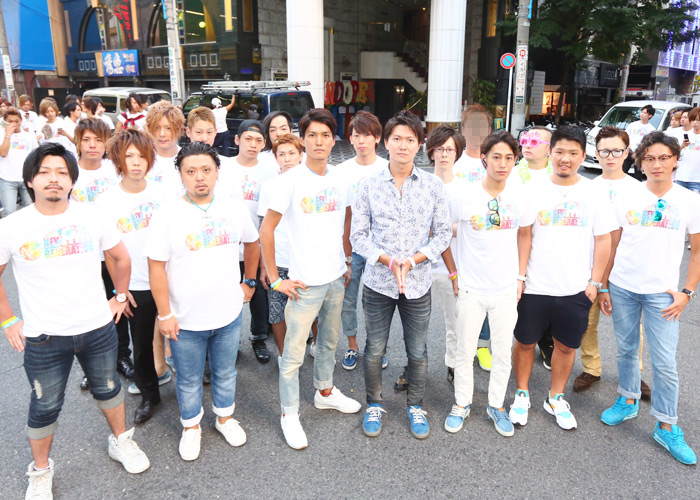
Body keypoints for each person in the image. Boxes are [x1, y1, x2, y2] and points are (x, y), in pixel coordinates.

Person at [0, 143, 150, 499]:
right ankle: (40, 470)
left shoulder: (92, 216)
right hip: (43, 336)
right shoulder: (11, 226)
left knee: (108, 388)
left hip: (97, 328)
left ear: (72, 180)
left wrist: (119, 296)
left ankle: (121, 441)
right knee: (45, 405)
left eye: (62, 172)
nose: (54, 179)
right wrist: (8, 320)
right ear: (30, 180)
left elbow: (120, 258)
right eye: (45, 172)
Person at [146, 141, 259, 461]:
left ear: (217, 172)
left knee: (225, 372)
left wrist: (249, 282)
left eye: (206, 170)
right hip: (184, 318)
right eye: (191, 171)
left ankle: (224, 418)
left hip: (228, 313)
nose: (199, 177)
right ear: (181, 175)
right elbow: (156, 266)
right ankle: (191, 426)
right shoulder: (167, 214)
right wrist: (165, 314)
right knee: (189, 378)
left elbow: (252, 244)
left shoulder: (234, 208)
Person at [259, 108, 361, 450]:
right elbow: (266, 231)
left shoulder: (340, 178)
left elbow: (346, 218)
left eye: (325, 135)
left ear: (334, 140)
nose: (319, 141)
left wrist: (346, 259)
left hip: (335, 278)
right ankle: (289, 413)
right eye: (312, 135)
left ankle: (325, 392)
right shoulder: (288, 182)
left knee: (328, 344)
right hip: (303, 284)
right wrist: (276, 280)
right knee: (292, 355)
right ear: (302, 140)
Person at [598, 131, 700, 465]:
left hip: (663, 295)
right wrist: (604, 285)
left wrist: (687, 292)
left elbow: (697, 252)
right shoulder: (626, 196)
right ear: (640, 162)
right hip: (623, 286)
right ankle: (627, 400)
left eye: (664, 158)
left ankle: (666, 425)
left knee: (665, 362)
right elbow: (613, 243)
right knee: (626, 348)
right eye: (650, 159)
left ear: (675, 160)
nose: (657, 165)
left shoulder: (689, 200)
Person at [351, 110, 451, 440]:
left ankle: (415, 406)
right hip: (378, 283)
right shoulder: (368, 186)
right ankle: (374, 404)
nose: (403, 145)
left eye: (410, 139)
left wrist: (413, 260)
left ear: (420, 144)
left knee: (418, 351)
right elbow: (358, 236)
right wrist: (387, 260)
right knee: (374, 350)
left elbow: (443, 234)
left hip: (418, 284)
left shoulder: (433, 186)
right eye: (397, 139)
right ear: (386, 142)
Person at [508, 126, 616, 430]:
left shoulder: (594, 192)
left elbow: (604, 239)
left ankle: (555, 397)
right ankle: (522, 393)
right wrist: (520, 276)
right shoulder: (533, 188)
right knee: (525, 342)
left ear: (583, 156)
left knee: (566, 347)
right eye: (559, 152)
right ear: (550, 152)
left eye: (572, 153)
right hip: (535, 286)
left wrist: (595, 283)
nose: (565, 158)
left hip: (576, 288)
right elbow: (524, 234)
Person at [446, 130, 528, 437]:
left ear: (515, 160)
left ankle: (496, 406)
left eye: (509, 158)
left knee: (502, 353)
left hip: (506, 289)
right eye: (496, 157)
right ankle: (461, 403)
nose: (502, 164)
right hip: (471, 288)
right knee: (465, 352)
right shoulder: (464, 195)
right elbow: (442, 233)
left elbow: (525, 234)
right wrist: (454, 274)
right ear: (484, 158)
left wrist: (520, 277)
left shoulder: (520, 195)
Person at [572, 126, 649, 397]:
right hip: (591, 267)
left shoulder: (639, 190)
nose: (611, 156)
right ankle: (591, 368)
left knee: (630, 328)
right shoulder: (587, 188)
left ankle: (634, 374)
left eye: (617, 151)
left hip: (625, 269)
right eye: (605, 151)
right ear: (596, 153)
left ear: (627, 153)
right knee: (586, 323)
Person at [99, 129, 169, 425]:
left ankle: (192, 392)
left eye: (142, 156)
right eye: (129, 156)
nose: (137, 162)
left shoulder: (164, 194)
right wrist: (120, 291)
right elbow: (109, 254)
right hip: (135, 285)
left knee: (184, 337)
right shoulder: (106, 200)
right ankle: (150, 395)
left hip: (168, 279)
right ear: (119, 160)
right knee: (141, 347)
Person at [71, 118, 132, 390]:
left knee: (119, 305)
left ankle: (122, 356)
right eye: (87, 140)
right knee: (88, 313)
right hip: (83, 255)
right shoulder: (69, 171)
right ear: (78, 142)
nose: (93, 145)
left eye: (98, 139)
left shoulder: (114, 169)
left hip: (114, 252)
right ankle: (92, 367)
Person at [334, 111, 389, 371]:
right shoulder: (341, 171)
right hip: (352, 247)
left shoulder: (387, 168)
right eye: (357, 135)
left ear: (377, 138)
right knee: (348, 300)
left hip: (380, 247)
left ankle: (377, 349)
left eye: (367, 135)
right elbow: (342, 215)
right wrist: (345, 254)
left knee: (377, 302)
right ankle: (352, 346)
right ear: (351, 139)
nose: (361, 141)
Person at [450, 104, 493, 371]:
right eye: (471, 126)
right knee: (460, 303)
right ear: (463, 130)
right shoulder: (454, 164)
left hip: (487, 246)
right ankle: (461, 349)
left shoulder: (495, 162)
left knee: (486, 299)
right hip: (457, 247)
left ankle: (483, 346)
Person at [423, 125, 465, 386]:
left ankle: (453, 364)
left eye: (450, 149)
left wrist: (439, 229)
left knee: (455, 322)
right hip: (422, 266)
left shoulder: (465, 189)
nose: (444, 154)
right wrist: (447, 229)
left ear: (457, 152)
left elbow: (467, 227)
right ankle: (414, 366)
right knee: (417, 323)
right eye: (439, 149)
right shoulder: (420, 183)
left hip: (454, 267)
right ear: (431, 152)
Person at [511, 126, 555, 369]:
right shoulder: (512, 172)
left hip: (547, 246)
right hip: (516, 244)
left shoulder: (557, 174)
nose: (527, 145)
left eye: (535, 142)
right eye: (525, 140)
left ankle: (547, 343)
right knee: (520, 298)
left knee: (547, 297)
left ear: (549, 149)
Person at [257, 133, 304, 359]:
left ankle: (313, 347)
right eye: (282, 154)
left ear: (300, 155)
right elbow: (263, 228)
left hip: (304, 260)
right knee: (277, 312)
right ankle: (285, 355)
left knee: (312, 311)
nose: (287, 159)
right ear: (275, 158)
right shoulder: (269, 187)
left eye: (292, 153)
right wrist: (265, 266)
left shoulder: (310, 183)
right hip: (279, 259)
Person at [0, 107, 37, 215]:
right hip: (6, 178)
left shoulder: (29, 135)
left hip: (26, 177)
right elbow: (3, 153)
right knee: (9, 211)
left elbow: (35, 154)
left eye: (17, 121)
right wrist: (7, 135)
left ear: (21, 120)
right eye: (10, 121)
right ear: (5, 122)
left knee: (29, 209)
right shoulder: (2, 134)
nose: (14, 124)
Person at [144, 100, 185, 195]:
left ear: (178, 129)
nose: (162, 134)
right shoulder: (142, 159)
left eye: (168, 128)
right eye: (157, 128)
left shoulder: (187, 159)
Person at [625, 104, 656, 180]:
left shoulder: (651, 129)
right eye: (642, 112)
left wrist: (638, 153)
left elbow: (649, 144)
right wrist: (628, 149)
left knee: (638, 175)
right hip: (628, 151)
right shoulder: (632, 125)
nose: (642, 114)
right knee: (622, 171)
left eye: (645, 113)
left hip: (640, 154)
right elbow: (625, 137)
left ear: (650, 115)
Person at [675, 107, 700, 194]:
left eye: (698, 120)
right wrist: (682, 146)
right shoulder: (682, 134)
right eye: (693, 120)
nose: (695, 122)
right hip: (680, 177)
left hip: (697, 180)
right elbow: (673, 154)